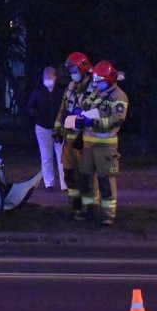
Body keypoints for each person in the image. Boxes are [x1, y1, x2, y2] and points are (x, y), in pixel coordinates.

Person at [75, 60, 128, 225]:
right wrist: (79, 112)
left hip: (105, 146)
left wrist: (94, 123)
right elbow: (85, 104)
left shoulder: (119, 96)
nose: (97, 84)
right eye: (96, 81)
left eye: (100, 81)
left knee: (106, 181)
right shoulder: (97, 90)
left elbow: (117, 119)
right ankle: (88, 210)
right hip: (88, 145)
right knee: (85, 178)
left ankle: (108, 214)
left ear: (109, 79)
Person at [52, 51, 96, 215]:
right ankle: (74, 204)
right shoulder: (70, 87)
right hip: (69, 139)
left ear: (83, 69)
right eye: (70, 71)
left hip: (85, 139)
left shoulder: (93, 88)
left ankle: (90, 207)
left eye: (74, 71)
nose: (72, 74)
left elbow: (95, 113)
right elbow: (63, 110)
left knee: (86, 175)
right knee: (69, 173)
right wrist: (57, 128)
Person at [26, 67, 64, 192]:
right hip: (43, 128)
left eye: (50, 78)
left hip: (59, 128)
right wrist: (39, 116)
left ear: (55, 77)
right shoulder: (38, 91)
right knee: (46, 156)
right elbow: (30, 107)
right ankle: (49, 183)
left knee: (61, 157)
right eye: (45, 78)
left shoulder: (60, 92)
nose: (47, 80)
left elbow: (65, 108)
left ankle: (65, 184)